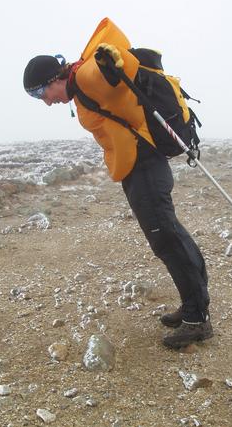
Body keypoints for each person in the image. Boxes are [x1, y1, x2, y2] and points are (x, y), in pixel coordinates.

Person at [23, 17, 213, 349]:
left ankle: (197, 317)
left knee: (165, 238)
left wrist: (112, 59)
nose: (44, 100)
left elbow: (110, 69)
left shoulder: (85, 77)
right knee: (170, 232)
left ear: (54, 78)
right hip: (140, 166)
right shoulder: (80, 88)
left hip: (145, 167)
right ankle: (194, 300)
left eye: (41, 91)